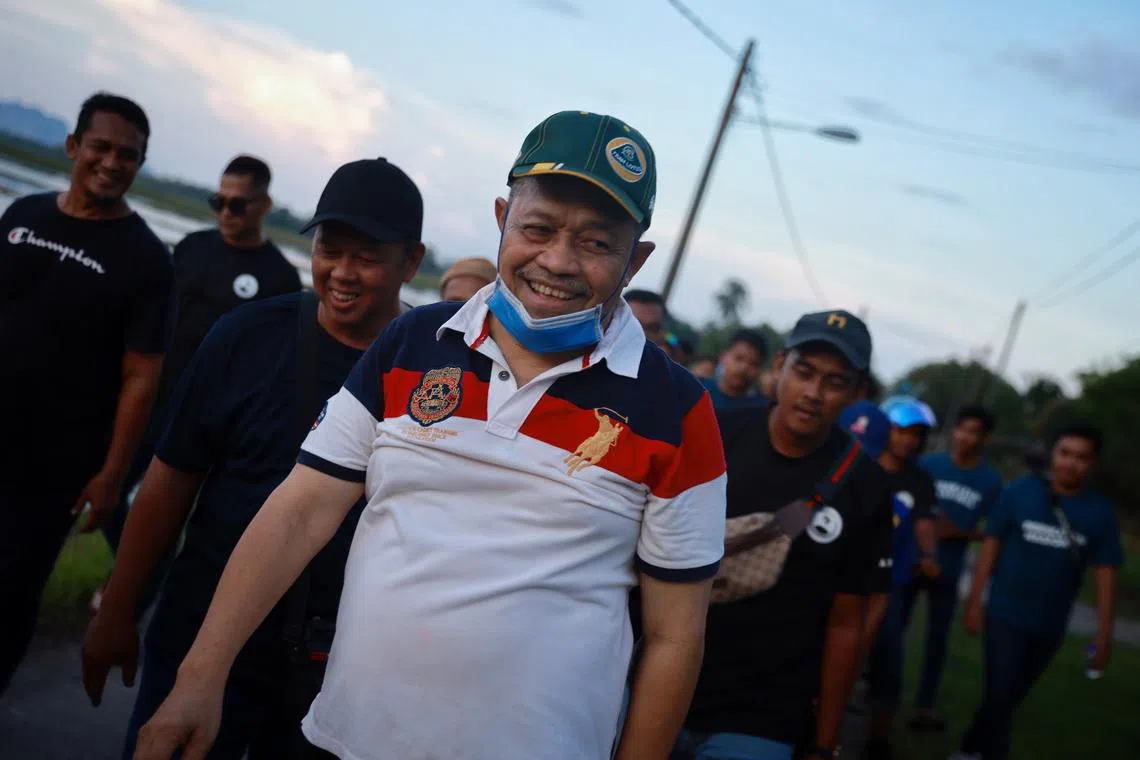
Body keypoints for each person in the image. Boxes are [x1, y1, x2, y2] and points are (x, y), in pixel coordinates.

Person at [131, 110, 727, 760]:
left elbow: (674, 636)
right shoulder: (413, 341)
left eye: (596, 243)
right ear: (502, 218)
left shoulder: (679, 411)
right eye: (538, 228)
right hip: (339, 741)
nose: (557, 261)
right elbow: (300, 511)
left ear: (635, 259)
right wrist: (201, 674)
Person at [81, 157, 425, 759]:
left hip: (333, 670)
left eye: (366, 257)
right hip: (202, 633)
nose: (341, 273)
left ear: (412, 262)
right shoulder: (247, 335)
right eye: (328, 249)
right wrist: (117, 610)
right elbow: (171, 481)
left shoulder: (429, 378)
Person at [0, 92, 172, 697]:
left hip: (51, 468)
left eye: (128, 155)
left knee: (11, 594)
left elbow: (141, 378)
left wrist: (110, 476)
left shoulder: (146, 258)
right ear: (73, 147)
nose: (111, 162)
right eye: (100, 147)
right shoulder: (22, 216)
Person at [678, 310, 894, 760]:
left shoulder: (866, 486)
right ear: (779, 367)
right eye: (804, 372)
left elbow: (845, 622)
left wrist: (824, 740)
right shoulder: (714, 432)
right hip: (662, 678)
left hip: (766, 716)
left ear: (856, 394)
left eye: (834, 383)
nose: (813, 393)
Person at [99, 155, 302, 600]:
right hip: (156, 402)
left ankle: (140, 597)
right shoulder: (192, 246)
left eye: (238, 205)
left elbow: (278, 363)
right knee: (110, 494)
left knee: (182, 514)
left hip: (216, 423)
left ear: (264, 205)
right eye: (219, 202)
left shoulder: (280, 278)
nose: (225, 214)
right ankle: (139, 578)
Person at [954, 421, 1123, 760]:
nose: (1070, 463)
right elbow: (991, 545)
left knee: (1006, 698)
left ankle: (969, 747)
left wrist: (1104, 636)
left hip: (1049, 625)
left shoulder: (1101, 514)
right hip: (1004, 614)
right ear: (1053, 454)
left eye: (1081, 457)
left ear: (1091, 463)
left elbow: (1106, 576)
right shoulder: (1020, 492)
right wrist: (975, 601)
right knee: (1001, 691)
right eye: (1064, 453)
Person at [903, 404, 1003, 731]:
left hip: (949, 566)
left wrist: (958, 531)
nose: (964, 437)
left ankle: (925, 704)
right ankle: (874, 686)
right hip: (913, 559)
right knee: (893, 626)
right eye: (961, 429)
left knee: (937, 637)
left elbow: (995, 530)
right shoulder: (930, 464)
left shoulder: (990, 482)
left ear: (984, 438)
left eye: (973, 432)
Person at [860, 397, 940, 760]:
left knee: (888, 655)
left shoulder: (920, 480)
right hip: (846, 571)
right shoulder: (860, 464)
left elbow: (924, 522)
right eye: (900, 431)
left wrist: (929, 555)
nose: (907, 441)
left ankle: (878, 738)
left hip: (890, 580)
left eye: (916, 435)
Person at [703, 328, 768, 408]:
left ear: (761, 370)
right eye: (739, 358)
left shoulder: (761, 410)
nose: (744, 368)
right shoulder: (699, 393)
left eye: (753, 363)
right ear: (723, 357)